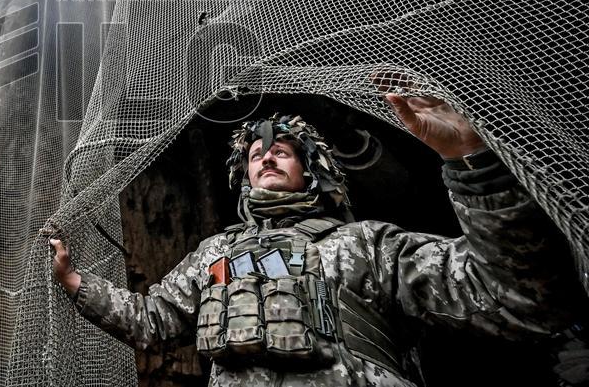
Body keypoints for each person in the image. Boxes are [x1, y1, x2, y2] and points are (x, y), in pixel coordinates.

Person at [50, 93, 578, 386]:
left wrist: (471, 165)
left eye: (282, 151)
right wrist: (75, 281)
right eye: (256, 155)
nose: (266, 156)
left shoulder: (364, 244)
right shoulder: (216, 254)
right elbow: (153, 320)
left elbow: (513, 296)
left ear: (312, 170)